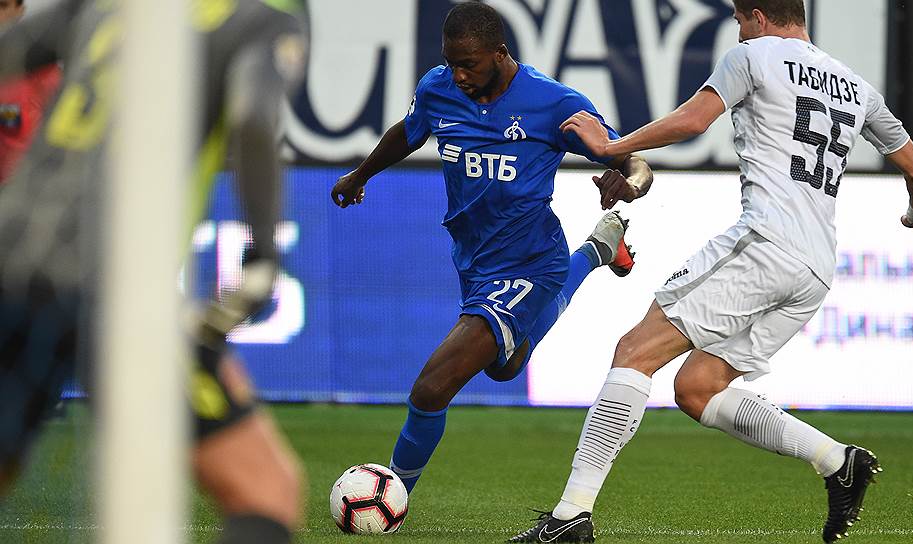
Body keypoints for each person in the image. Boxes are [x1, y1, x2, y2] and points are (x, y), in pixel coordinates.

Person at [509, 0, 913, 542]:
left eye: (740, 21)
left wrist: (612, 147)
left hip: (766, 243)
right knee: (699, 387)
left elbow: (693, 121)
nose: (739, 33)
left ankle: (569, 516)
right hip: (814, 269)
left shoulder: (754, 56)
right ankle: (837, 461)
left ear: (758, 16)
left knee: (635, 352)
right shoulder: (857, 86)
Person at [0, 1, 309, 543]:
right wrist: (263, 255)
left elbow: (12, 51)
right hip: (117, 284)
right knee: (266, 491)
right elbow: (254, 118)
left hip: (11, 258)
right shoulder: (263, 16)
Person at [331, 1, 652, 497]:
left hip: (531, 262)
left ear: (500, 53)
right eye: (451, 63)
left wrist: (628, 183)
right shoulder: (438, 88)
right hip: (475, 262)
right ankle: (597, 250)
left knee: (432, 387)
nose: (458, 75)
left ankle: (392, 496)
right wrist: (361, 174)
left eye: (469, 64)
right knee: (505, 367)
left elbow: (635, 162)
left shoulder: (554, 103)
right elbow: (409, 131)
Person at [0, 0, 61, 183]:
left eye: (2, 6)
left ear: (20, 11)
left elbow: (30, 121)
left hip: (28, 181)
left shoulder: (44, 67)